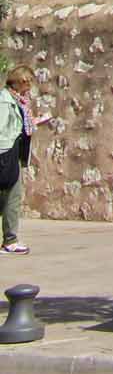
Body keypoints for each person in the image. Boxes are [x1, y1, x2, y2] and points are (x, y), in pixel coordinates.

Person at [1, 68, 52, 254]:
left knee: (12, 197)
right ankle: (10, 240)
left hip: (13, 153)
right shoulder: (5, 101)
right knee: (9, 196)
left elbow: (21, 125)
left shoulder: (19, 101)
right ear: (18, 82)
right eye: (27, 82)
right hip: (5, 153)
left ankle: (10, 239)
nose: (29, 86)